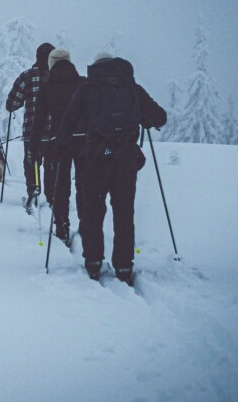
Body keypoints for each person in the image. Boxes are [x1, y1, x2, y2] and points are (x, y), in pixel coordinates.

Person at [54, 53, 166, 286]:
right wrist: (143, 119)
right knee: (124, 213)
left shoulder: (89, 87)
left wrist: (60, 144)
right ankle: (124, 266)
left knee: (93, 210)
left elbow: (69, 119)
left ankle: (93, 262)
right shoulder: (132, 87)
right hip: (125, 159)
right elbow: (159, 117)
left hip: (97, 158)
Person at [29, 48, 85, 248]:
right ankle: (86, 226)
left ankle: (62, 225)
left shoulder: (47, 87)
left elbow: (39, 119)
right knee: (84, 184)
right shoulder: (83, 83)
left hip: (59, 141)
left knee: (61, 185)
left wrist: (34, 146)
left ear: (51, 64)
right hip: (84, 140)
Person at [6, 43, 55, 212]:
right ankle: (52, 196)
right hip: (55, 133)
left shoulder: (27, 76)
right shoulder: (58, 78)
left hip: (32, 131)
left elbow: (12, 103)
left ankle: (34, 189)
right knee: (52, 164)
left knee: (31, 162)